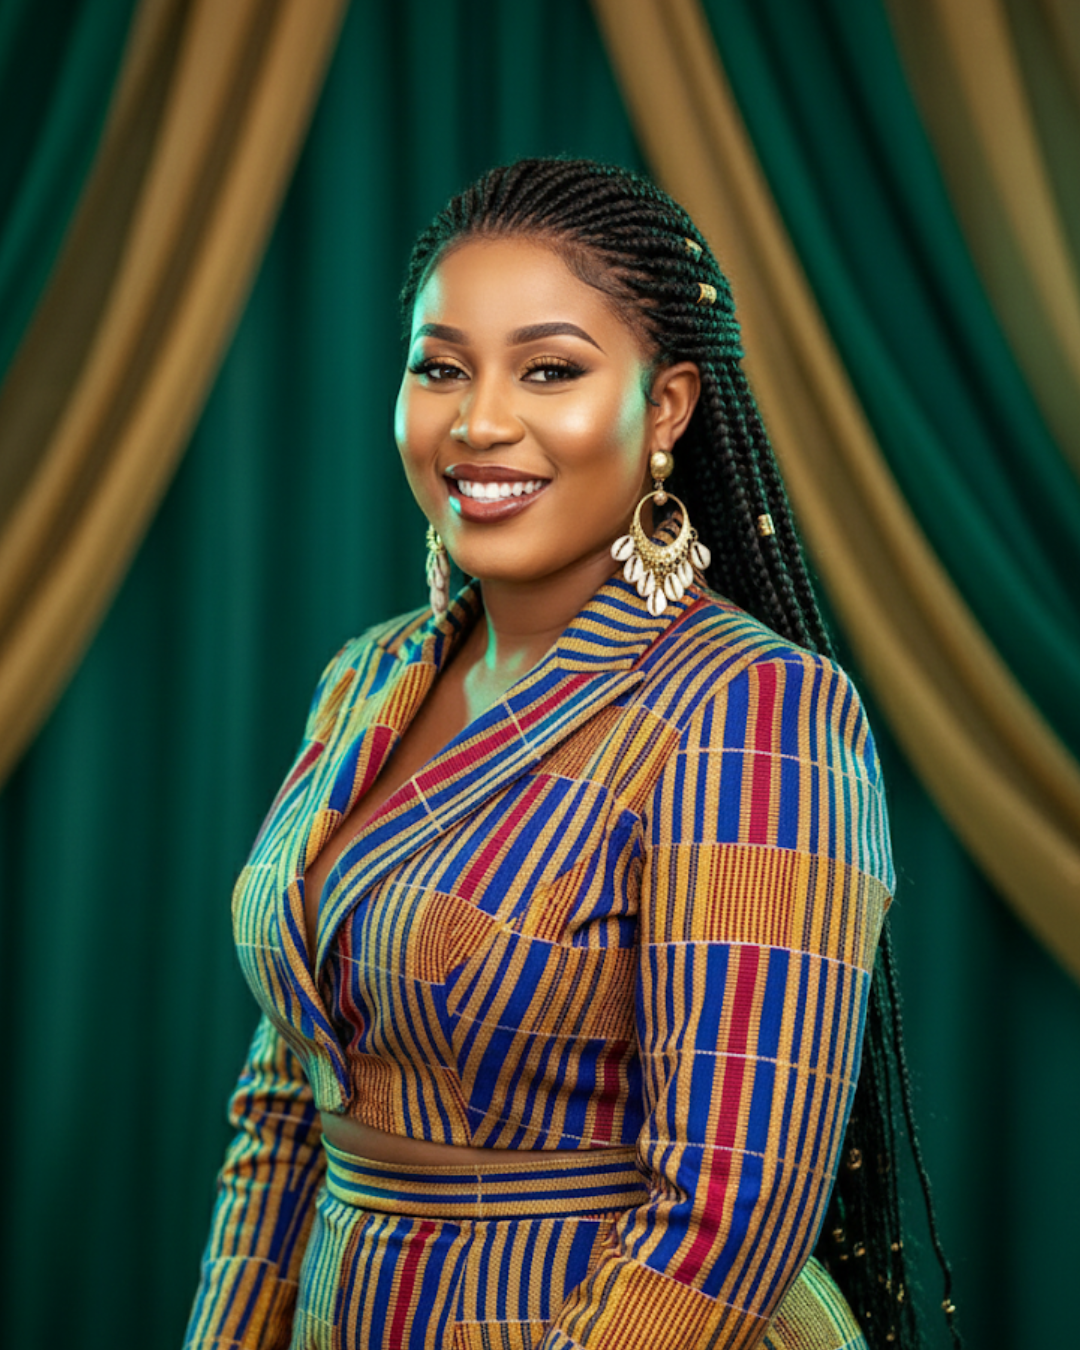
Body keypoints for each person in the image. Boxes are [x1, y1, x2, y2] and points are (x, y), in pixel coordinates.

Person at [185, 159, 956, 1350]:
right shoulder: (365, 679)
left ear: (668, 407)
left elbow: (729, 1217)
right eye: (441, 367)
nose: (479, 422)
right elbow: (289, 1103)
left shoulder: (751, 710)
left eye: (549, 369)